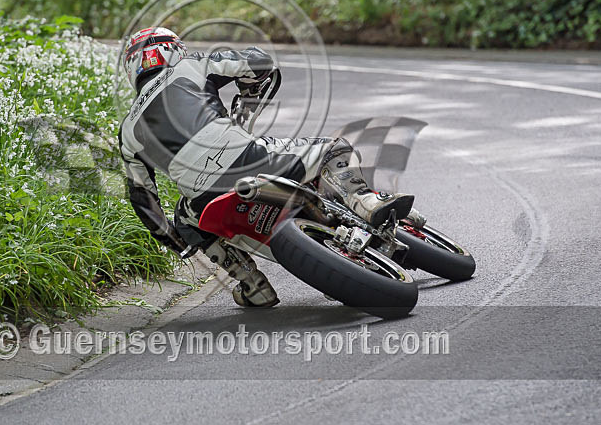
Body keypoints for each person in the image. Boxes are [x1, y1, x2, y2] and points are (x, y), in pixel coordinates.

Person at [118, 27, 416, 307]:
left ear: (133, 68)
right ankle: (365, 201)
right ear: (172, 50)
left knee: (185, 220)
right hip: (250, 160)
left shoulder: (128, 130)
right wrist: (248, 101)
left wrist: (174, 242)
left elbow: (143, 199)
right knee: (333, 149)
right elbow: (259, 61)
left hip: (203, 197)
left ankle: (251, 284)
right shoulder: (191, 66)